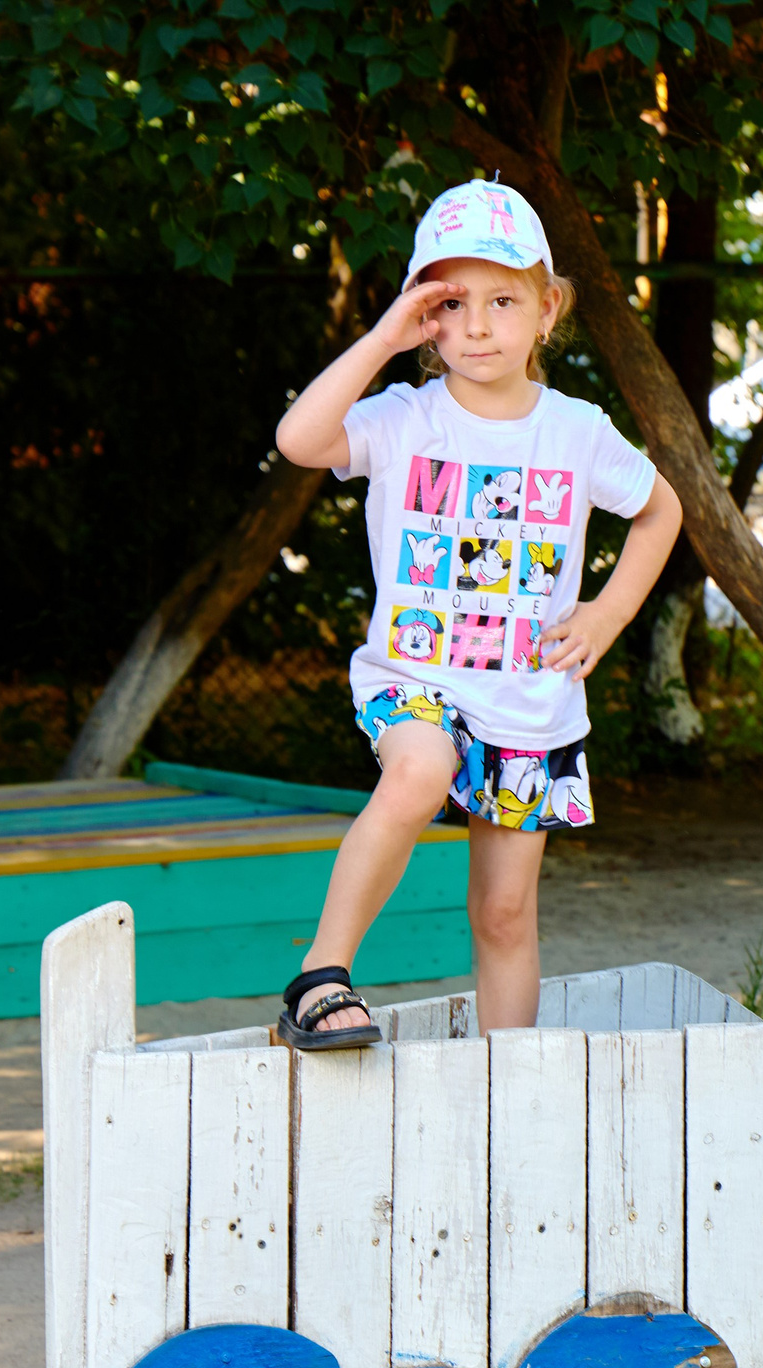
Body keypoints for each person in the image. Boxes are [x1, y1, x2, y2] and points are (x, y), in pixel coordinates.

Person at [268, 179, 681, 1049]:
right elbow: (300, 441)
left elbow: (662, 509)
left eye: (504, 300)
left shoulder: (574, 430)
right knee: (420, 768)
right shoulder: (403, 418)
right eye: (454, 304)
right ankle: (319, 976)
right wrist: (381, 338)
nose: (481, 325)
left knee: (503, 913)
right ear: (427, 315)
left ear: (547, 309)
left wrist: (607, 614)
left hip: (529, 705)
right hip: (416, 679)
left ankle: (509, 1087)